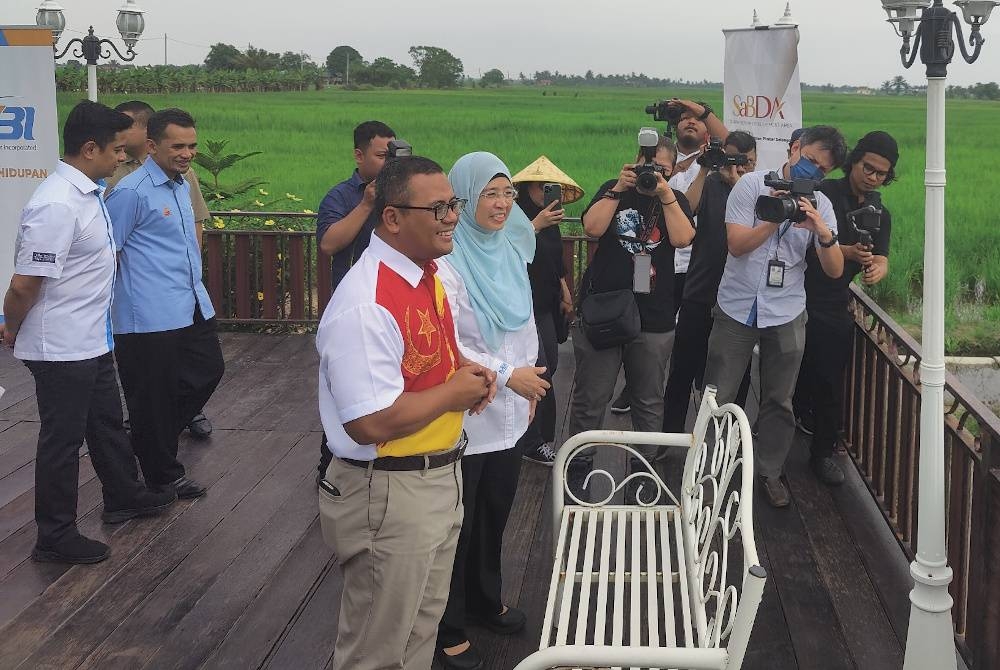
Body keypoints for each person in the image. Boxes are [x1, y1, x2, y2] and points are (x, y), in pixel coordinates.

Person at [316, 155, 496, 670]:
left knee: (419, 630)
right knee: (377, 650)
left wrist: (467, 374)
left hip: (436, 475)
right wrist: (452, 395)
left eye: (453, 204)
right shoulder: (367, 302)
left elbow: (436, 354)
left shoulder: (427, 275)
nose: (452, 218)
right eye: (437, 208)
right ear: (392, 218)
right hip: (390, 491)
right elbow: (368, 422)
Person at [1, 101, 176, 565]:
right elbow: (23, 284)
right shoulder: (57, 204)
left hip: (90, 338)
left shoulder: (87, 193)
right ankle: (54, 536)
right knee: (62, 440)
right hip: (59, 346)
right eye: (117, 150)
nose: (122, 157)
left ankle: (124, 495)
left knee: (105, 422)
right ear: (89, 148)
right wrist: (12, 330)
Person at [435, 152, 550, 670]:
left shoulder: (507, 250)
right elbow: (449, 342)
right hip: (466, 413)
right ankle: (447, 621)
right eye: (490, 194)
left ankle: (485, 597)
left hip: (509, 414)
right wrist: (508, 377)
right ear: (464, 199)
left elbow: (522, 327)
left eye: (507, 193)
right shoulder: (446, 264)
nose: (502, 204)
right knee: (454, 524)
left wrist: (525, 384)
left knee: (494, 515)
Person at [702, 125, 848, 508]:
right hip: (737, 306)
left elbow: (833, 270)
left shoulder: (821, 204)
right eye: (810, 160)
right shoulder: (751, 186)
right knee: (719, 394)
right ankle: (710, 467)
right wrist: (775, 217)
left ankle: (768, 470)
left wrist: (820, 229)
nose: (812, 172)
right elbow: (736, 245)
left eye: (821, 170)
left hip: (786, 310)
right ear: (794, 147)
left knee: (779, 399)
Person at [105, 108, 226, 501]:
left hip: (190, 303)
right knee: (151, 395)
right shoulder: (130, 192)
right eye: (178, 146)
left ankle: (146, 437)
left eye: (192, 145)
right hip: (147, 315)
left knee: (209, 369)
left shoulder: (180, 183)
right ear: (154, 145)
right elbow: (109, 254)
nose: (188, 153)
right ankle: (162, 474)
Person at [568, 133, 695, 462]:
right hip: (605, 312)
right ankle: (579, 464)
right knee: (591, 396)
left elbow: (682, 239)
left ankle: (646, 467)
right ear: (635, 162)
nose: (653, 175)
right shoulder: (614, 188)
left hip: (654, 318)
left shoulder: (675, 199)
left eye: (663, 170)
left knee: (649, 400)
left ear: (672, 172)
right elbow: (592, 229)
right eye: (648, 167)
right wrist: (617, 189)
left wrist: (665, 193)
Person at [793, 131, 897, 485]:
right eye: (868, 167)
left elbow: (881, 257)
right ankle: (790, 416)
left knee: (830, 377)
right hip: (800, 293)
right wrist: (845, 252)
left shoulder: (880, 211)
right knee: (788, 369)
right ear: (854, 160)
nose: (873, 176)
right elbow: (802, 243)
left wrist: (876, 268)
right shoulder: (824, 195)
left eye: (882, 173)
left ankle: (822, 451)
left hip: (835, 302)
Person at [611, 99, 727, 415]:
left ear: (707, 129)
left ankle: (668, 391)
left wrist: (702, 167)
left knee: (678, 335)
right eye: (683, 118)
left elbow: (689, 206)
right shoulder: (658, 157)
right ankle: (633, 386)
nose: (690, 122)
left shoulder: (714, 163)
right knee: (641, 326)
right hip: (651, 258)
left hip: (692, 263)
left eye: (698, 119)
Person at [314, 120, 396, 482]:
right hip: (353, 311)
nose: (387, 163)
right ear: (359, 155)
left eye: (392, 155)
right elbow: (329, 244)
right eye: (381, 156)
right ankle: (330, 466)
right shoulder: (341, 196)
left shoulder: (403, 193)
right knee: (345, 391)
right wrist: (367, 204)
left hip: (395, 307)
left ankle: (384, 459)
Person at [663, 131, 757, 433]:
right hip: (700, 290)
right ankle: (671, 434)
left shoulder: (762, 191)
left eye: (749, 162)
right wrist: (705, 168)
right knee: (682, 370)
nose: (741, 168)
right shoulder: (711, 183)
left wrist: (739, 184)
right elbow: (686, 209)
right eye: (735, 161)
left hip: (738, 300)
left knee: (735, 374)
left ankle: (726, 441)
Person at [510, 156, 583, 465]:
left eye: (551, 188)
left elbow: (555, 260)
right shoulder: (515, 217)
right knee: (538, 369)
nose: (547, 193)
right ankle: (532, 441)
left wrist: (566, 290)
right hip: (522, 306)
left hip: (547, 301)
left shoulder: (549, 219)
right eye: (542, 187)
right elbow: (506, 250)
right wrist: (534, 226)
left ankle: (536, 434)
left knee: (549, 363)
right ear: (527, 188)